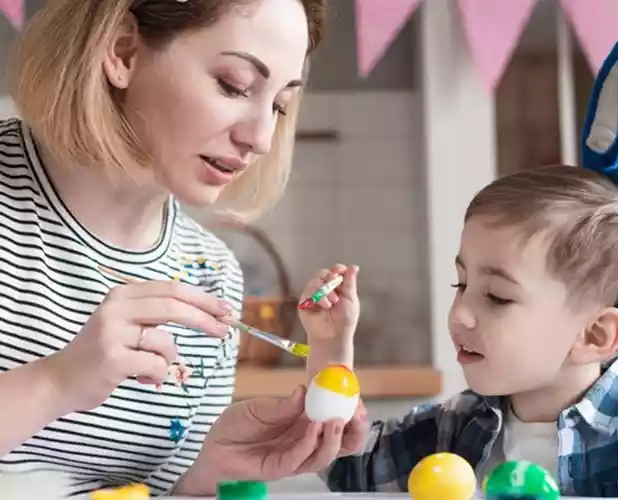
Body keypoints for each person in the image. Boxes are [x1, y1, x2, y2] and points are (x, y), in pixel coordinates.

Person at [297, 27, 618, 498]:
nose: (460, 313)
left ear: (595, 335)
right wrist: (330, 346)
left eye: (498, 297)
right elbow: (346, 467)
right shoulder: (453, 427)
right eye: (460, 285)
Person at [0, 0, 367, 497]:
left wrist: (208, 470)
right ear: (123, 51)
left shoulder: (211, 273)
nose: (261, 137)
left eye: (279, 105)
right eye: (234, 85)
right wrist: (55, 383)